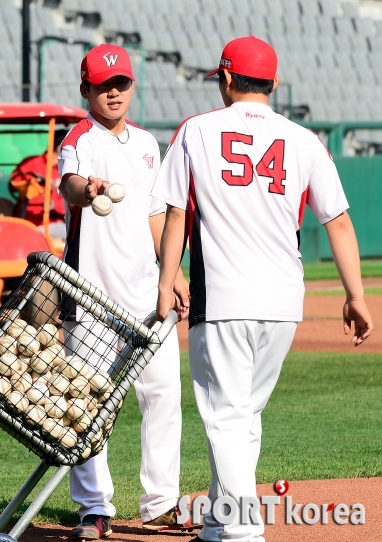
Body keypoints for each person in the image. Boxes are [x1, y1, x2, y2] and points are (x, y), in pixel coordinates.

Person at [153, 36, 373, 542]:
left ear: (226, 80)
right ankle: (219, 524)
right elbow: (337, 222)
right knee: (244, 414)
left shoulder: (197, 130)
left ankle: (243, 531)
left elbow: (175, 215)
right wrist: (355, 295)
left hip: (225, 296)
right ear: (273, 84)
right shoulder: (304, 138)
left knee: (226, 416)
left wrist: (166, 284)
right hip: (282, 301)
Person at [57, 44, 197, 540]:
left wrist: (173, 272)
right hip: (89, 293)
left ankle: (159, 503)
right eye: (102, 85)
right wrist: (88, 189)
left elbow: (156, 215)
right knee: (88, 403)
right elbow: (71, 187)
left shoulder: (146, 143)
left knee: (162, 395)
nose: (113, 92)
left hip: (145, 294)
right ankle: (94, 508)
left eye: (121, 84)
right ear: (86, 90)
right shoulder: (78, 139)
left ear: (132, 86)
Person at [9, 129, 67, 241]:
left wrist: (53, 205)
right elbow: (14, 183)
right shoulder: (32, 163)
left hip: (52, 222)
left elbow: (70, 203)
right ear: (60, 146)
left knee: (75, 236)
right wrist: (34, 183)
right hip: (27, 221)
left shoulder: (67, 170)